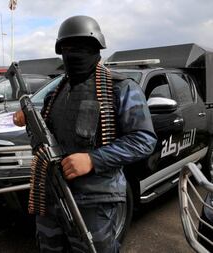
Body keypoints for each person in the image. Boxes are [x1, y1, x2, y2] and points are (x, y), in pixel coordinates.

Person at [13, 15, 157, 252]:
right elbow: (43, 142)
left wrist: (93, 159)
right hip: (52, 195)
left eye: (82, 48)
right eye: (67, 48)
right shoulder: (55, 93)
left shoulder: (120, 88)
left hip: (96, 201)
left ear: (96, 49)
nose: (74, 54)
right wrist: (28, 120)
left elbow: (143, 140)